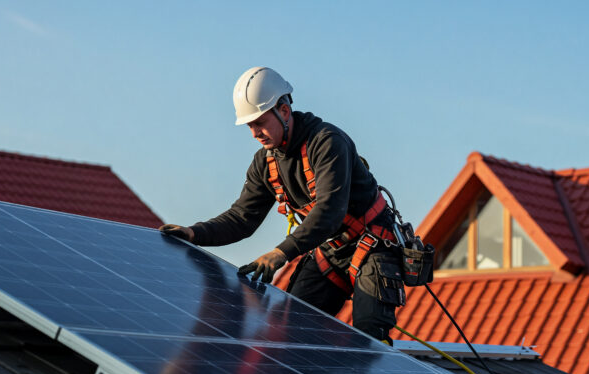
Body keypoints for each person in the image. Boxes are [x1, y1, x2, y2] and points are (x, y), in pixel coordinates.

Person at [160, 67, 405, 344]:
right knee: (291, 334)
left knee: (368, 341)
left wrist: (281, 253)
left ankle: (360, 372)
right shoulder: (265, 163)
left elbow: (329, 212)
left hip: (372, 247)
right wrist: (195, 234)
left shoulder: (326, 143)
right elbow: (242, 218)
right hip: (330, 252)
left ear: (284, 110)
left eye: (260, 122)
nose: (255, 133)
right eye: (249, 126)